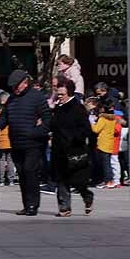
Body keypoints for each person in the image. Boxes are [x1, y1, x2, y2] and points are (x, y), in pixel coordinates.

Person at [0, 69, 50, 216]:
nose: (14, 89)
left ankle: (33, 205)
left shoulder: (37, 97)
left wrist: (36, 132)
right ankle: (26, 204)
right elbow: (4, 116)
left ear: (25, 83)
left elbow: (47, 120)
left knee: (30, 172)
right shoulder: (12, 98)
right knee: (22, 174)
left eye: (16, 86)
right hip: (16, 142)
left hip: (33, 143)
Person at [50, 77, 94, 217]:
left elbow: (86, 129)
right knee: (61, 179)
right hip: (59, 150)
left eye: (62, 94)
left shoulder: (77, 107)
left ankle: (87, 196)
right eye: (58, 94)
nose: (60, 96)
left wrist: (75, 139)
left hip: (75, 150)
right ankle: (64, 208)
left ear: (69, 93)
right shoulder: (58, 107)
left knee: (77, 181)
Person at [90, 99, 117, 188]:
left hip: (102, 143)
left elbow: (96, 129)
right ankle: (110, 180)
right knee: (107, 163)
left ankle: (107, 181)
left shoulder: (103, 118)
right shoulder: (113, 118)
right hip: (109, 142)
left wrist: (92, 122)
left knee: (103, 164)